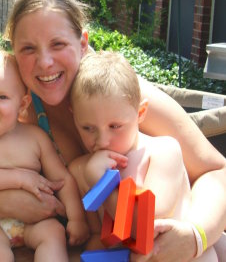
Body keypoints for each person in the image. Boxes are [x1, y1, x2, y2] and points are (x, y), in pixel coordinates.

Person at [0, 0, 226, 262]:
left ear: (82, 43)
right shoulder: (9, 102)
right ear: (14, 54)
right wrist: (9, 202)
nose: (45, 62)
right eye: (28, 49)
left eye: (58, 44)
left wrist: (196, 236)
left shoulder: (119, 95)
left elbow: (216, 170)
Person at [68, 51, 217, 261]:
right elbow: (95, 235)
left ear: (140, 113)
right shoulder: (79, 169)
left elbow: (145, 227)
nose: (101, 140)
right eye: (87, 128)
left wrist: (101, 184)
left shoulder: (163, 152)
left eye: (115, 126)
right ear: (74, 116)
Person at [0, 50, 89, 261]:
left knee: (54, 234)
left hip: (34, 223)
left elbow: (62, 179)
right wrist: (22, 178)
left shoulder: (36, 137)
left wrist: (76, 218)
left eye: (2, 97)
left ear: (22, 104)